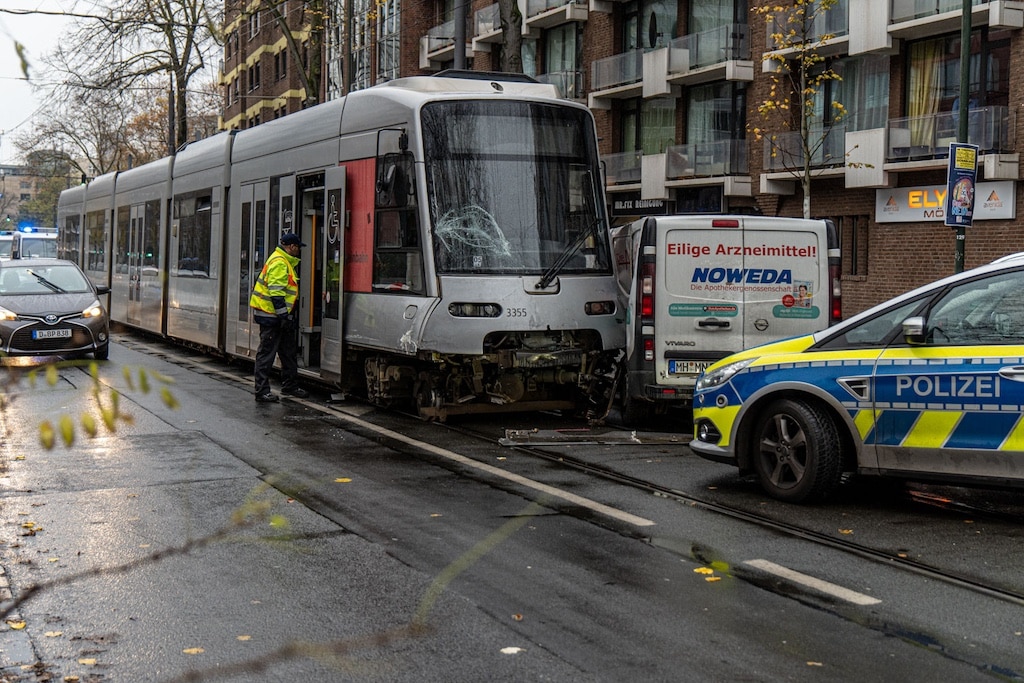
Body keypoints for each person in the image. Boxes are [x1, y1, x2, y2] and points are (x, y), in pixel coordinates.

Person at [249, 232, 310, 402]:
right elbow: (276, 293)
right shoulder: (280, 263)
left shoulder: (283, 261)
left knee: (287, 352)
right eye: (298, 247)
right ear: (291, 247)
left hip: (278, 317)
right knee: (267, 354)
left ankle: (290, 385)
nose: (299, 251)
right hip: (271, 317)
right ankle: (261, 391)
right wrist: (284, 316)